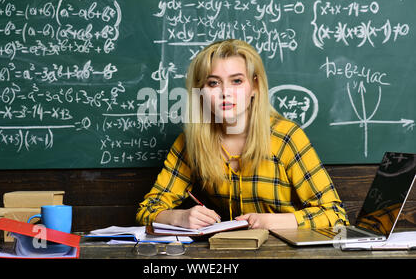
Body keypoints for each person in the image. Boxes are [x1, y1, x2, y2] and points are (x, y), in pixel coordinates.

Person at [136, 39, 349, 230]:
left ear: (255, 86)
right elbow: (148, 209)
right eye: (213, 83)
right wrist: (179, 217)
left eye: (236, 81)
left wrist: (273, 221)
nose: (225, 92)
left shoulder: (286, 138)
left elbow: (336, 215)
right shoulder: (191, 143)